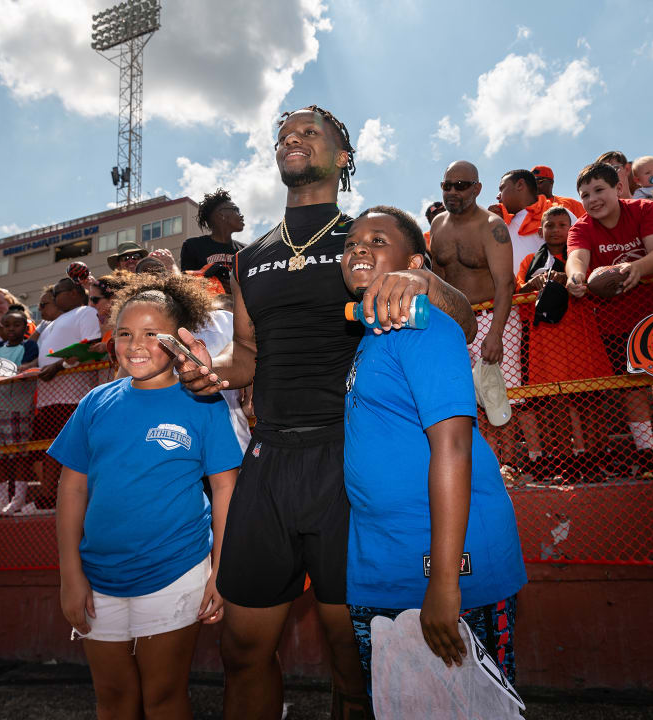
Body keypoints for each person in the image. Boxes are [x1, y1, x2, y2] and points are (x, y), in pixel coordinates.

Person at [175, 104, 477, 720]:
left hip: (349, 460)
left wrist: (424, 286)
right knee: (241, 647)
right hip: (268, 459)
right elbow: (249, 354)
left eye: (311, 133)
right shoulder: (250, 255)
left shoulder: (367, 239)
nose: (294, 139)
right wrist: (211, 370)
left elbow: (465, 318)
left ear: (343, 157)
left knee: (352, 657)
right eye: (285, 134)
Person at [339, 205, 526, 704]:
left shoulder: (424, 325)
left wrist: (445, 582)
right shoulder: (370, 337)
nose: (359, 248)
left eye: (378, 241)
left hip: (443, 568)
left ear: (415, 263)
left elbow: (454, 444)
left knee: (473, 709)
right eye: (352, 242)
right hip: (383, 565)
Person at [51, 273, 241, 720]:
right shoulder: (95, 402)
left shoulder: (203, 402)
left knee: (163, 699)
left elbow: (225, 486)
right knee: (113, 700)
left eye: (152, 335)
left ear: (179, 340)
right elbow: (72, 487)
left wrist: (221, 567)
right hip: (98, 578)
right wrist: (70, 574)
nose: (136, 345)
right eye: (124, 334)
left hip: (176, 572)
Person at [566, 162, 653, 476]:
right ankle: (646, 452)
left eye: (599, 190)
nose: (592, 199)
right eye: (585, 195)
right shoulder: (582, 227)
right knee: (632, 386)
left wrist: (637, 269)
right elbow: (577, 258)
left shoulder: (643, 209)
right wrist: (576, 278)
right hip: (615, 321)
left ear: (618, 188)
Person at [430, 161, 543, 468]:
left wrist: (496, 333)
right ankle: (487, 465)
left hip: (492, 318)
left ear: (477, 188)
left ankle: (515, 464)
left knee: (502, 395)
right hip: (454, 326)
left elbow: (505, 283)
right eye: (447, 185)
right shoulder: (438, 225)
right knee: (465, 400)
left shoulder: (492, 225)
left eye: (461, 185)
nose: (453, 191)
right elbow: (437, 282)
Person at [516, 205, 611, 475]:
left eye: (562, 225)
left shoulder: (581, 258)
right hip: (545, 337)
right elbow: (519, 295)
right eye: (550, 225)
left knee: (589, 398)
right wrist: (531, 286)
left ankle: (596, 457)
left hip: (579, 332)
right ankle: (564, 459)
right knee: (554, 399)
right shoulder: (529, 261)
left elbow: (594, 287)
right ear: (540, 230)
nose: (555, 230)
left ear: (571, 229)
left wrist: (568, 278)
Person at [34, 277, 102, 514]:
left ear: (75, 292)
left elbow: (93, 345)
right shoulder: (50, 323)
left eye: (57, 292)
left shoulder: (85, 312)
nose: (53, 298)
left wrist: (59, 366)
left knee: (73, 450)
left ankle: (74, 500)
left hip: (73, 395)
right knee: (48, 450)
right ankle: (47, 498)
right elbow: (43, 357)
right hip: (47, 397)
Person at [0, 308, 41, 517]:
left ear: (25, 327)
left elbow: (28, 368)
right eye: (7, 325)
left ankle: (19, 498)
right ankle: (2, 498)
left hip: (20, 407)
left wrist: (1, 372)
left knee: (20, 453)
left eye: (16, 325)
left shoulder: (30, 346)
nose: (11, 329)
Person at [497, 168, 578, 269]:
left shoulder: (561, 214)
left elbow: (581, 254)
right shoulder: (501, 223)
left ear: (520, 185)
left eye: (502, 188)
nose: (498, 196)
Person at [181, 188, 246, 274]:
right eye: (236, 210)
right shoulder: (192, 246)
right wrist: (204, 274)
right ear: (221, 214)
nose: (242, 215)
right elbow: (186, 280)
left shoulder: (245, 250)